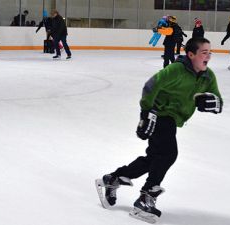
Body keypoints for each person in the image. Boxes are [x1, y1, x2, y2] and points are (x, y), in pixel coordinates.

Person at [95, 37, 223, 223]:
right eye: (204, 53)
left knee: (154, 159)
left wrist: (213, 102)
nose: (208, 57)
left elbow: (219, 100)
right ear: (191, 54)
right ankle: (146, 197)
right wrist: (146, 113)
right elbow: (150, 86)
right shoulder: (176, 70)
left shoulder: (207, 76)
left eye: (210, 53)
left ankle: (113, 178)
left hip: (174, 119)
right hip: (160, 114)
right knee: (169, 153)